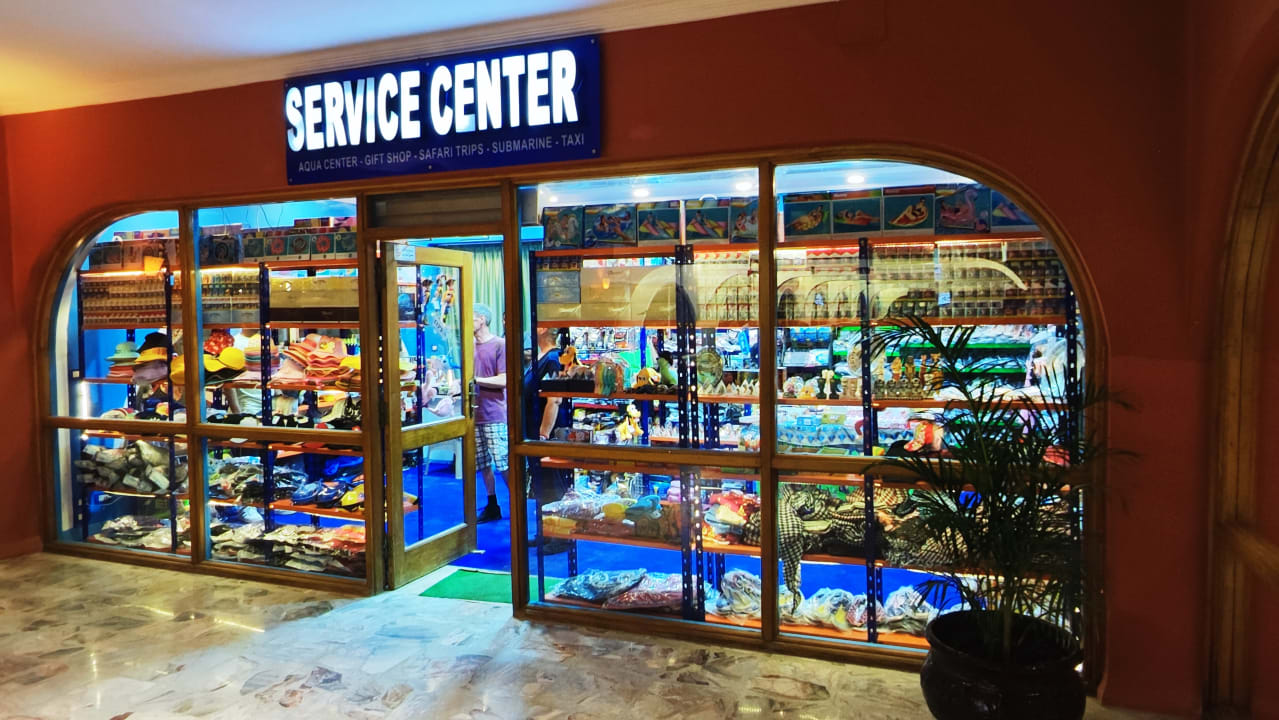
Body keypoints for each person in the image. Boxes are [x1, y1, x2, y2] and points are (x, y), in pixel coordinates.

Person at [472, 303, 509, 523]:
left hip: (494, 413)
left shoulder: (499, 345)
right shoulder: (468, 347)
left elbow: (504, 379)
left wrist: (476, 381)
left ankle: (518, 501)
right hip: (474, 413)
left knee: (502, 461)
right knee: (482, 462)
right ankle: (492, 503)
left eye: (472, 318)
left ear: (482, 319)